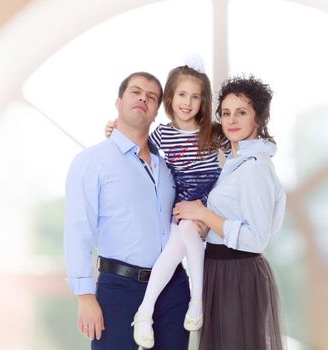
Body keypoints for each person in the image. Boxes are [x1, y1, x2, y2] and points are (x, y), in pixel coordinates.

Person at [64, 72, 191, 350]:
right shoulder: (92, 161)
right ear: (119, 102)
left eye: (152, 96)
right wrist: (85, 296)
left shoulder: (168, 166)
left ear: (157, 110)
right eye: (136, 92)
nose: (143, 98)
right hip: (118, 290)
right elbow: (78, 230)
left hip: (172, 290)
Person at [104, 63, 221, 348]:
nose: (188, 103)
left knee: (189, 233)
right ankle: (152, 312)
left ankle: (186, 302)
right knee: (172, 250)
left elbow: (239, 149)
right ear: (170, 98)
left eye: (195, 97)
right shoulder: (161, 136)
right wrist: (113, 131)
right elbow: (136, 146)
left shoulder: (213, 133)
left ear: (203, 101)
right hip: (179, 208)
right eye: (182, 95)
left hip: (204, 205)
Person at [173, 75, 286, 350]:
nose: (231, 120)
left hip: (237, 275)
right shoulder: (237, 163)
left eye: (241, 112)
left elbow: (256, 238)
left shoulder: (255, 167)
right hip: (221, 271)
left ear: (258, 118)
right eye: (225, 113)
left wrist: (203, 214)